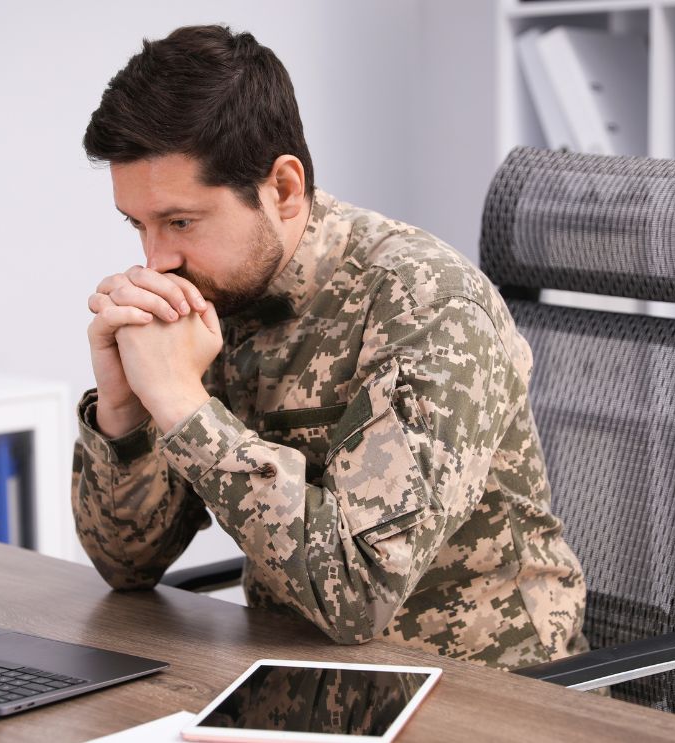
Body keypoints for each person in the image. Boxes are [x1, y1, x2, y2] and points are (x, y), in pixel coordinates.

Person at [71, 24, 588, 670]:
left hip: (483, 692)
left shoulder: (428, 305)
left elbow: (358, 591)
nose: (155, 260)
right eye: (137, 225)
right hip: (292, 679)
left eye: (179, 221)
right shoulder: (208, 296)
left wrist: (181, 403)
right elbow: (125, 563)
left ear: (283, 189)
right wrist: (125, 414)